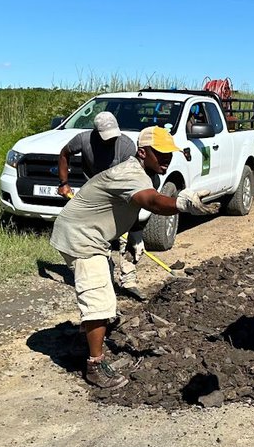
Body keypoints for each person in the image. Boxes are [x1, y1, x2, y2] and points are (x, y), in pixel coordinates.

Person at [51, 126, 219, 389]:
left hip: (90, 232)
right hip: (80, 236)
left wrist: (134, 236)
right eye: (160, 153)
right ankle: (95, 365)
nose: (166, 159)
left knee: (103, 287)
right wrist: (180, 204)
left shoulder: (145, 174)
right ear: (143, 151)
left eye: (169, 154)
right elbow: (151, 202)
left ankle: (85, 335)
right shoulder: (132, 174)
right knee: (99, 298)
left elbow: (130, 207)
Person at [57, 112, 144, 293]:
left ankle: (129, 280)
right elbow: (64, 154)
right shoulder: (83, 139)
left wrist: (136, 230)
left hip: (119, 198)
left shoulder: (126, 146)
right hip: (93, 198)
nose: (110, 141)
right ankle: (105, 281)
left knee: (124, 239)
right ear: (96, 132)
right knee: (96, 238)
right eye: (106, 137)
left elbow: (135, 184)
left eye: (113, 135)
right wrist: (64, 183)